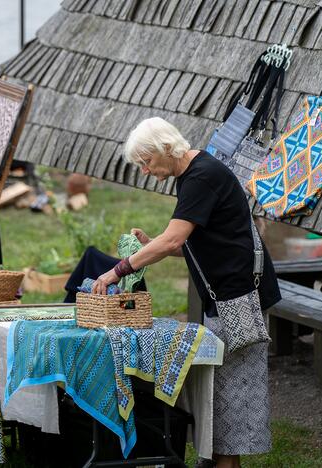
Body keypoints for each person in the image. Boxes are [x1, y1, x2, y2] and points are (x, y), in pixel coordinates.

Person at [92, 117, 281, 468]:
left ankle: (226, 462)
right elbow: (192, 242)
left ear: (165, 148)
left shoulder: (201, 176)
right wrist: (155, 244)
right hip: (227, 297)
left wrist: (119, 269)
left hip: (239, 298)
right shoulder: (192, 176)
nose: (146, 171)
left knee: (232, 391)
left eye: (146, 162)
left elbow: (176, 238)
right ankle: (215, 459)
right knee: (218, 386)